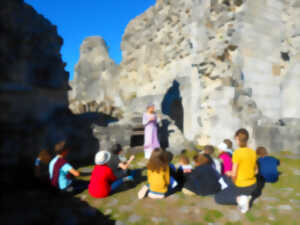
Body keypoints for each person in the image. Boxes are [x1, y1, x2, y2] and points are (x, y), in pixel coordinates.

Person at [215, 128, 257, 213]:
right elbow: (256, 171)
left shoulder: (237, 153)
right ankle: (245, 196)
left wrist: (230, 176)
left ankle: (241, 199)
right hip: (253, 185)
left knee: (218, 198)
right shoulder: (253, 152)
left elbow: (234, 175)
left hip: (241, 185)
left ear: (237, 139)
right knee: (227, 181)